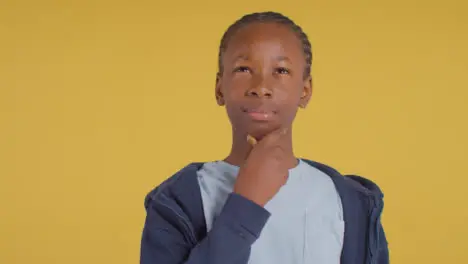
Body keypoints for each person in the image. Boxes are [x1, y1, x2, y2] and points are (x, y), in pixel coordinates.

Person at [140, 11, 389, 264]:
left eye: (280, 70)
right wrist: (247, 202)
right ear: (219, 88)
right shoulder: (178, 201)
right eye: (243, 68)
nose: (260, 86)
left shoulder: (351, 203)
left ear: (305, 90)